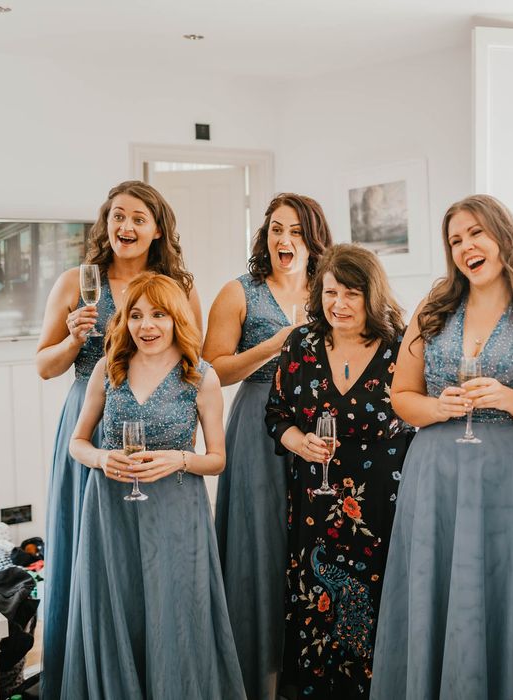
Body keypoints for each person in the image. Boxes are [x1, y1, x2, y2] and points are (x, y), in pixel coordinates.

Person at [370, 195, 513, 700]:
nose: (466, 247)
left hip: (512, 478)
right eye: (456, 240)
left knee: (500, 593)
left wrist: (507, 397)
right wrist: (439, 409)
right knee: (437, 591)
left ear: (504, 236)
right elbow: (401, 397)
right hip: (436, 472)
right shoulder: (433, 311)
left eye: (475, 233)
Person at [35, 180, 200, 699]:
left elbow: (195, 363)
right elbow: (44, 366)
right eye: (117, 216)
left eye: (138, 218)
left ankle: (157, 671)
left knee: (151, 557)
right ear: (106, 223)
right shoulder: (75, 282)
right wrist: (74, 337)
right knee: (86, 551)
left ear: (157, 229)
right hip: (90, 422)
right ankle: (91, 673)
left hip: (155, 425)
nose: (125, 227)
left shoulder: (177, 285)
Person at [63, 272, 244, 698]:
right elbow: (77, 443)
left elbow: (217, 459)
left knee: (176, 613)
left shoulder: (200, 376)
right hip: (110, 509)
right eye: (137, 316)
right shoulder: (109, 370)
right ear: (124, 321)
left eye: (158, 315)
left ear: (176, 318)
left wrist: (179, 459)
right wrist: (102, 458)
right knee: (118, 609)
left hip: (177, 513)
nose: (147, 326)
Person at [265, 244, 411, 699]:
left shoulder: (400, 346)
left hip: (382, 501)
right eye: (331, 292)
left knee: (376, 596)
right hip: (316, 496)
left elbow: (419, 416)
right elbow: (276, 415)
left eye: (351, 293)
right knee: (315, 595)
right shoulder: (300, 344)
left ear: (373, 294)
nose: (339, 304)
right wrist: (297, 441)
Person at [203, 192, 332, 700]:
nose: (285, 239)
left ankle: (307, 672)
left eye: (297, 231)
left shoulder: (331, 290)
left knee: (312, 542)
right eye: (277, 229)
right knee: (260, 548)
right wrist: (278, 342)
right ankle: (255, 677)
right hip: (258, 426)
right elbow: (212, 369)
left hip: (320, 429)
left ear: (313, 240)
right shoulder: (240, 292)